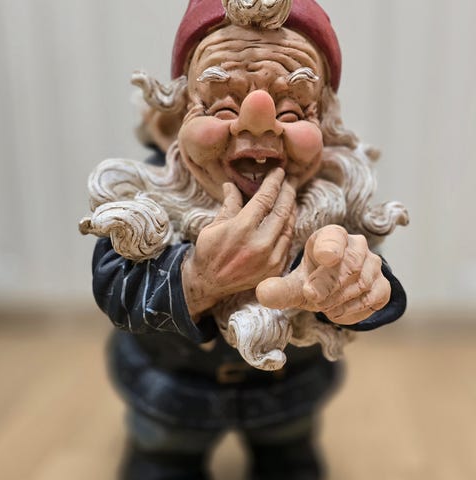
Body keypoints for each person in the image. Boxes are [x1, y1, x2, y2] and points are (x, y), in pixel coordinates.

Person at [81, 1, 409, 478]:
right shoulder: (145, 204)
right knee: (162, 464)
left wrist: (352, 287)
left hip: (287, 396)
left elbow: (372, 282)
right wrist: (198, 278)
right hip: (171, 394)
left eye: (293, 110)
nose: (258, 123)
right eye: (221, 106)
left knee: (289, 465)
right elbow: (117, 288)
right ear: (170, 125)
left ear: (328, 131)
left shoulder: (330, 207)